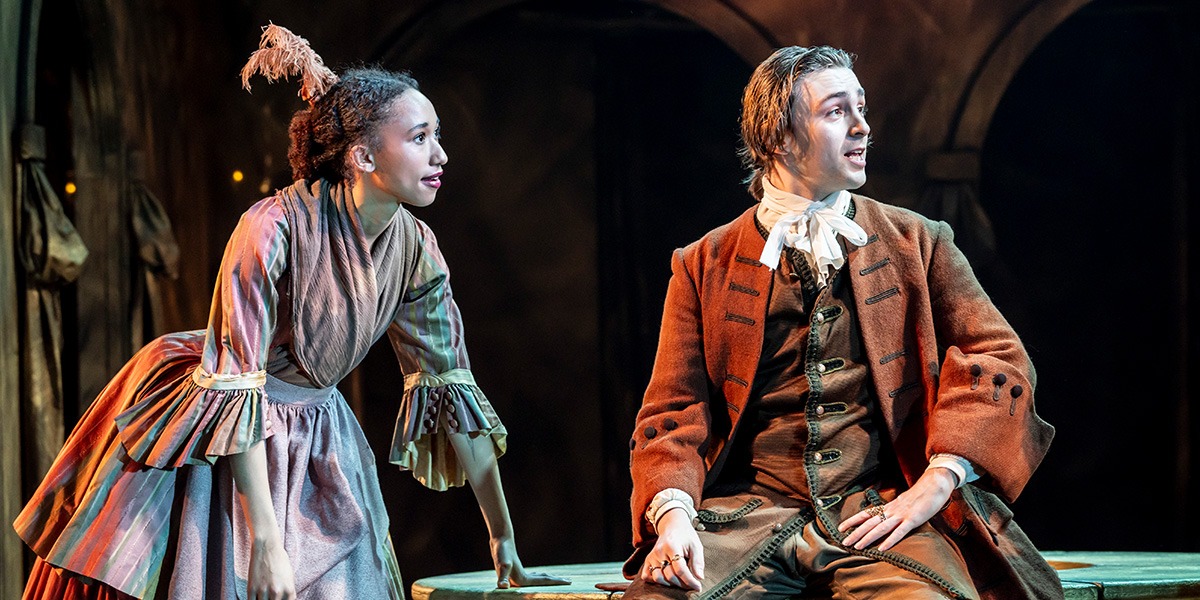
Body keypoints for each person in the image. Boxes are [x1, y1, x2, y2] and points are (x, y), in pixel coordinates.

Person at [14, 24, 568, 600]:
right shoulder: (271, 228)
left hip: (318, 433)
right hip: (226, 431)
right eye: (421, 136)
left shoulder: (416, 248)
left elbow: (450, 388)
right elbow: (237, 382)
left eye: (438, 135)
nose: (440, 153)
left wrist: (503, 542)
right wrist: (266, 543)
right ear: (362, 154)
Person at [623, 46, 1060, 599]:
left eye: (862, 109)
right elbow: (672, 409)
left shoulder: (916, 242)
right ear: (780, 137)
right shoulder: (704, 262)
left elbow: (999, 359)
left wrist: (934, 484)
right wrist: (674, 520)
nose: (862, 127)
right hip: (747, 518)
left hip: (879, 511)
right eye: (836, 112)